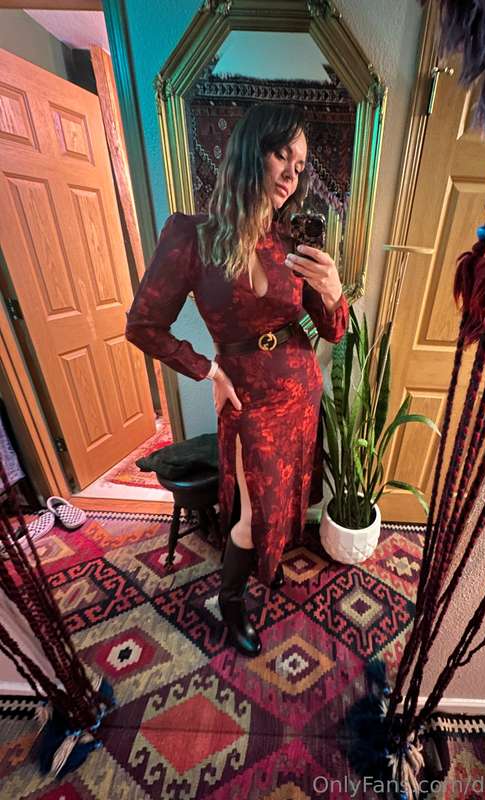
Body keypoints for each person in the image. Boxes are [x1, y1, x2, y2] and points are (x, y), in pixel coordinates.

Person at [125, 103, 349, 657]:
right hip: (247, 397)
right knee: (255, 512)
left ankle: (267, 567)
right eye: (282, 155)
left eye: (301, 164)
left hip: (300, 387)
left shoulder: (290, 237)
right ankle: (229, 601)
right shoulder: (191, 235)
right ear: (252, 151)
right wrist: (206, 369)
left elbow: (333, 330)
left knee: (288, 495)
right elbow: (143, 325)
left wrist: (333, 290)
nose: (293, 174)